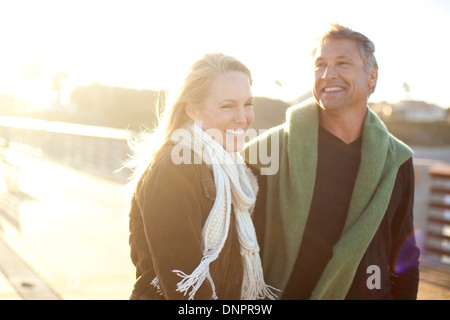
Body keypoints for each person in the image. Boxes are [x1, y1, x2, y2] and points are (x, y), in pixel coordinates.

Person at [245, 24, 420, 299]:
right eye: (320, 65)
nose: (328, 75)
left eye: (343, 63)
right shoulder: (266, 150)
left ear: (371, 76)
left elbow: (404, 251)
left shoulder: (397, 160)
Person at [126, 52, 278, 300]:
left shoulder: (232, 168)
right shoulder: (173, 169)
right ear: (193, 111)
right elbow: (184, 287)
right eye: (227, 106)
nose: (243, 117)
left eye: (248, 104)